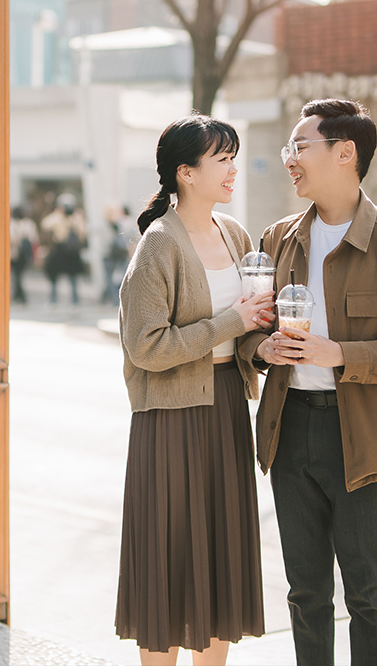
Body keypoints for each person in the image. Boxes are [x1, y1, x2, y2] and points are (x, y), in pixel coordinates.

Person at [239, 99, 377, 666]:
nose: (290, 160)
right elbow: (250, 331)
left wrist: (341, 354)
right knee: (306, 594)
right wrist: (261, 348)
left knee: (369, 598)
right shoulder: (278, 237)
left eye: (299, 148)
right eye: (288, 149)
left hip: (365, 439)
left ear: (345, 153)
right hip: (291, 432)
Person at [115, 114, 274, 666]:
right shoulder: (158, 246)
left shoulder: (235, 235)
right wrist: (234, 322)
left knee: (220, 555)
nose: (232, 170)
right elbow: (146, 347)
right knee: (169, 558)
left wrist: (264, 347)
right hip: (171, 419)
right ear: (185, 172)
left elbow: (246, 330)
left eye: (234, 158)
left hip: (227, 407)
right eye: (221, 159)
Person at [40, 193, 87, 304]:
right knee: (56, 280)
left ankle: (69, 303)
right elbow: (45, 225)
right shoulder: (59, 218)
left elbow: (83, 232)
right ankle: (55, 302)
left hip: (69, 253)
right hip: (61, 252)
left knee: (72, 281)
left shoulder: (75, 219)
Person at [9, 205, 38, 304]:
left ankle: (20, 296)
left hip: (16, 253)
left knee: (17, 275)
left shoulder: (11, 224)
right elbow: (34, 239)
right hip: (20, 254)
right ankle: (18, 295)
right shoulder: (29, 224)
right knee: (18, 275)